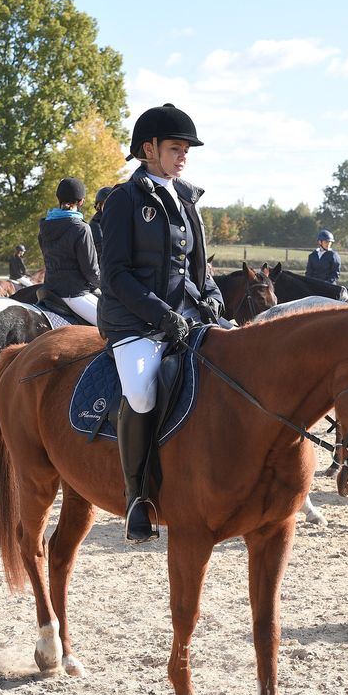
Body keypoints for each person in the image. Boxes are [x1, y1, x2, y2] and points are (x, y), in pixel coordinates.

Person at [98, 102, 224, 544]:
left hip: (185, 317)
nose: (183, 155)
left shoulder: (187, 198)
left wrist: (212, 297)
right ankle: (137, 497)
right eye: (175, 147)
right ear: (148, 149)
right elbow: (115, 275)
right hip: (136, 323)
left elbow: (198, 267)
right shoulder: (124, 200)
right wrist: (160, 314)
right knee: (141, 391)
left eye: (186, 149)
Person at [38, 177, 100, 324]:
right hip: (75, 294)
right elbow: (91, 271)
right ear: (81, 201)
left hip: (50, 291)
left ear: (58, 199)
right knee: (114, 325)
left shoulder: (45, 227)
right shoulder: (81, 229)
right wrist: (109, 285)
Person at [89, 186, 113, 265]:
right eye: (106, 204)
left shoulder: (120, 221)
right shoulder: (95, 225)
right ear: (99, 206)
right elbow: (102, 251)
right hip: (104, 266)